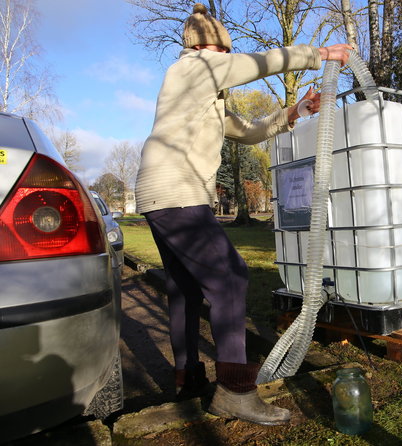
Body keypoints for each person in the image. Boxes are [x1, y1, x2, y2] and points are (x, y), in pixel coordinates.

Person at [134, 2, 352, 426]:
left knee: (185, 289)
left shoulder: (203, 95)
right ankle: (234, 392)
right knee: (231, 279)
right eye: (223, 53)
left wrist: (295, 112)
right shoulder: (192, 67)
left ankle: (188, 379)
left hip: (162, 194)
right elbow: (258, 63)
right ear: (209, 47)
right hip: (176, 191)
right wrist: (319, 54)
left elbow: (248, 131)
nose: (226, 62)